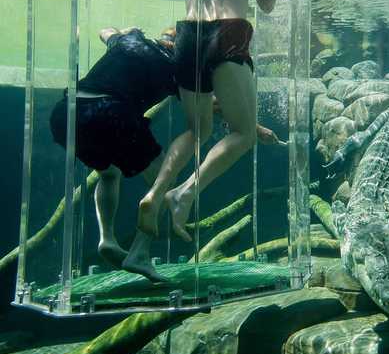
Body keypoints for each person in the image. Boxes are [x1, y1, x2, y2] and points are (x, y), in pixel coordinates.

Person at [50, 26, 281, 281]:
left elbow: (105, 31)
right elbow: (215, 105)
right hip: (110, 114)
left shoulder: (130, 41)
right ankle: (140, 251)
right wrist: (256, 129)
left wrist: (125, 31)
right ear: (178, 46)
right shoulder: (176, 66)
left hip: (67, 113)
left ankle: (107, 239)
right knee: (164, 180)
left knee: (108, 174)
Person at [137, 0, 284, 242]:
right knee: (244, 133)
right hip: (228, 33)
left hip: (187, 36)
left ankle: (155, 193)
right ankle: (184, 193)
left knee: (197, 129)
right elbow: (268, 2)